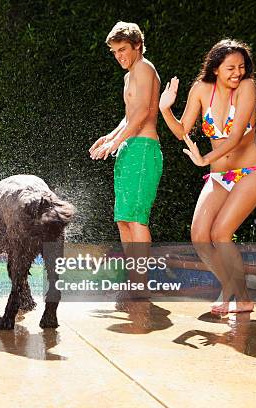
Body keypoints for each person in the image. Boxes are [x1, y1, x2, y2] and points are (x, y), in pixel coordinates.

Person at [159, 39, 256, 314]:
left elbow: (235, 136)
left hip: (251, 171)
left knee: (221, 233)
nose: (237, 73)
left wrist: (204, 159)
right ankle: (229, 286)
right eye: (230, 68)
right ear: (216, 68)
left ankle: (243, 298)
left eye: (241, 67)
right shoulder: (200, 89)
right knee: (199, 236)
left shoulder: (247, 88)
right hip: (220, 175)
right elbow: (182, 129)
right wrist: (165, 108)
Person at [88, 22, 163, 297]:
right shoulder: (128, 76)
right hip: (129, 149)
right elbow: (129, 117)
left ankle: (141, 285)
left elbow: (143, 112)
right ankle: (134, 281)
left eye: (123, 50)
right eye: (114, 51)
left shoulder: (144, 68)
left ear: (138, 46)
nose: (119, 55)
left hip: (143, 149)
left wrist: (115, 143)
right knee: (123, 219)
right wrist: (109, 137)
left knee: (137, 220)